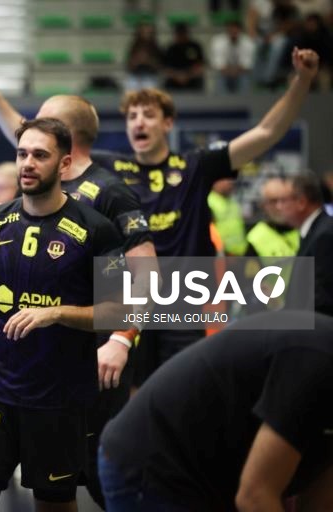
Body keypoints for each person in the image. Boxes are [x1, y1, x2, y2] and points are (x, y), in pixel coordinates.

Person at [87, 47, 320, 382]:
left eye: (149, 115)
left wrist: (303, 79)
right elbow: (44, 146)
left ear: (168, 123)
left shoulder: (196, 164)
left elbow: (266, 133)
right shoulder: (109, 166)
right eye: (132, 116)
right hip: (128, 294)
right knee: (127, 391)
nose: (139, 121)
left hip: (182, 299)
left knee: (177, 388)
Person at [0, 118, 125, 512]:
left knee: (54, 503)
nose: (28, 164)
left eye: (40, 155)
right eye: (22, 154)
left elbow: (118, 309)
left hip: (59, 398)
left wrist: (55, 314)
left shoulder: (97, 230)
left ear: (64, 165)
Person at [98, 311, 333, 512]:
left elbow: (318, 502)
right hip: (154, 464)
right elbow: (255, 497)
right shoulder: (317, 365)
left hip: (213, 471)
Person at [281, 170, 333, 316]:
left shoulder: (325, 235)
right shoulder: (314, 231)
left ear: (301, 202)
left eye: (283, 200)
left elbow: (322, 301)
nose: (279, 207)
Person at [210, 19, 256, 93]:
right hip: (224, 73)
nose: (233, 32)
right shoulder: (218, 41)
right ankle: (220, 102)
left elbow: (247, 65)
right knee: (219, 78)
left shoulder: (248, 42)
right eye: (231, 30)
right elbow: (218, 64)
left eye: (235, 30)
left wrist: (235, 71)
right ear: (227, 30)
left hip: (241, 73)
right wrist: (230, 71)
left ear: (240, 30)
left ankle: (245, 100)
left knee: (245, 78)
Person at [208, 178, 248, 256]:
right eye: (226, 179)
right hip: (223, 256)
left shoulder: (232, 200)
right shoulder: (209, 202)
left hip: (241, 253)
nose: (230, 182)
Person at [162, 22, 206, 91]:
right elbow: (166, 68)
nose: (181, 36)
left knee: (198, 80)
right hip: (174, 78)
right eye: (179, 34)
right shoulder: (171, 48)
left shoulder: (195, 47)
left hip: (192, 77)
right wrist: (177, 76)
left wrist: (188, 76)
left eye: (183, 33)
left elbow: (200, 65)